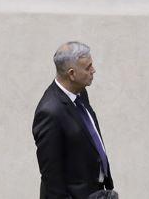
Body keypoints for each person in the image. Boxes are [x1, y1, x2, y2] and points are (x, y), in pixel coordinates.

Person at [32, 41, 113, 199]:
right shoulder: (50, 112)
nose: (93, 70)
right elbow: (52, 178)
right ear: (72, 74)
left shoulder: (80, 92)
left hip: (96, 191)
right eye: (88, 67)